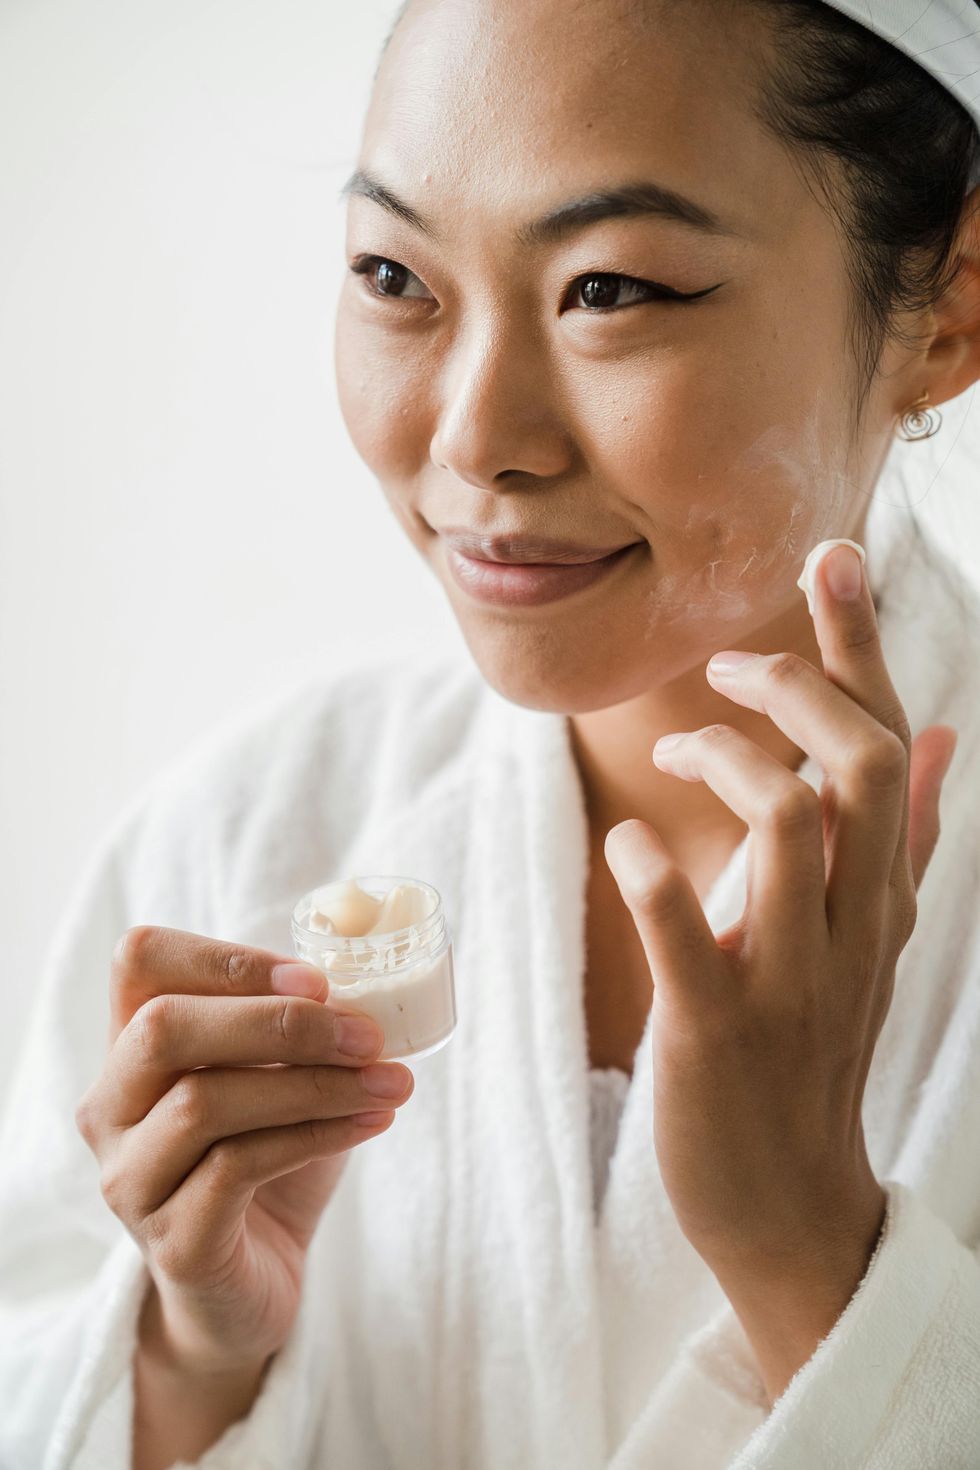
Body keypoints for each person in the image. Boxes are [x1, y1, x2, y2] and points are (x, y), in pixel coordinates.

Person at [2, 1, 980, 1466]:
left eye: (613, 289)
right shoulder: (252, 831)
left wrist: (813, 1258)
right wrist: (193, 1356)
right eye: (395, 275)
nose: (475, 436)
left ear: (949, 307)